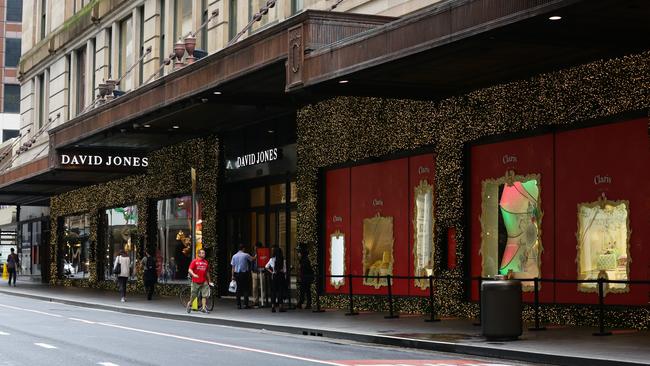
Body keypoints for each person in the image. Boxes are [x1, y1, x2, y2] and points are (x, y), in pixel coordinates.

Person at [187, 248, 212, 314]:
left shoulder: (206, 262)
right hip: (195, 281)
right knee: (194, 295)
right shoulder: (194, 261)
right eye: (202, 253)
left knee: (205, 295)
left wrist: (209, 280)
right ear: (198, 254)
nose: (204, 254)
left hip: (204, 281)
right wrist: (193, 274)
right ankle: (190, 304)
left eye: (204, 253)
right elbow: (190, 270)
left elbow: (207, 272)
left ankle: (203, 308)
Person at [230, 244, 255, 309]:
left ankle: (238, 305)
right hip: (244, 274)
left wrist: (232, 275)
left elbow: (233, 267)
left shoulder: (234, 256)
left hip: (237, 274)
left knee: (238, 289)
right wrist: (256, 255)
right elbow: (252, 259)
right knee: (245, 289)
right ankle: (245, 304)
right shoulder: (245, 255)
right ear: (243, 248)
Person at [265, 245, 287, 313]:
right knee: (280, 291)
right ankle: (280, 307)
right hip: (281, 276)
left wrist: (272, 272)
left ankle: (273, 307)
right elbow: (285, 270)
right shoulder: (283, 260)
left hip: (274, 276)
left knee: (273, 292)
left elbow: (266, 266)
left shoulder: (271, 259)